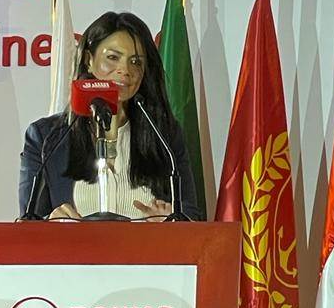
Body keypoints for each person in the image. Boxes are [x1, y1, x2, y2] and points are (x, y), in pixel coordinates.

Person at [18, 11, 202, 221]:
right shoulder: (46, 137)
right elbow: (28, 222)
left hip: (149, 244)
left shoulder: (164, 134)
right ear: (88, 60)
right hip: (72, 245)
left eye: (136, 62)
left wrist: (172, 220)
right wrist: (50, 222)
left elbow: (191, 215)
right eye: (113, 58)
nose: (125, 70)